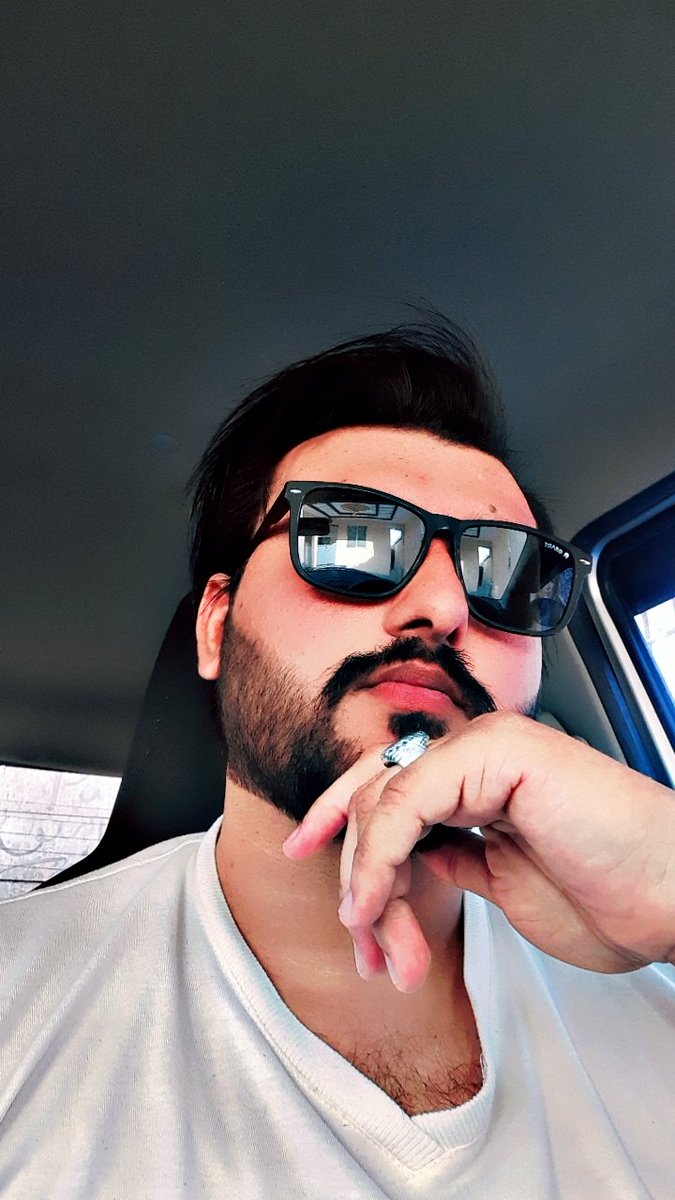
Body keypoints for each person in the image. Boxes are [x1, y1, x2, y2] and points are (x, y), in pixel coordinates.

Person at [1, 319, 673, 1199]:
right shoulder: (19, 994)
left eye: (502, 572)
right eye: (349, 538)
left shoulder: (649, 957)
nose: (442, 607)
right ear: (215, 625)